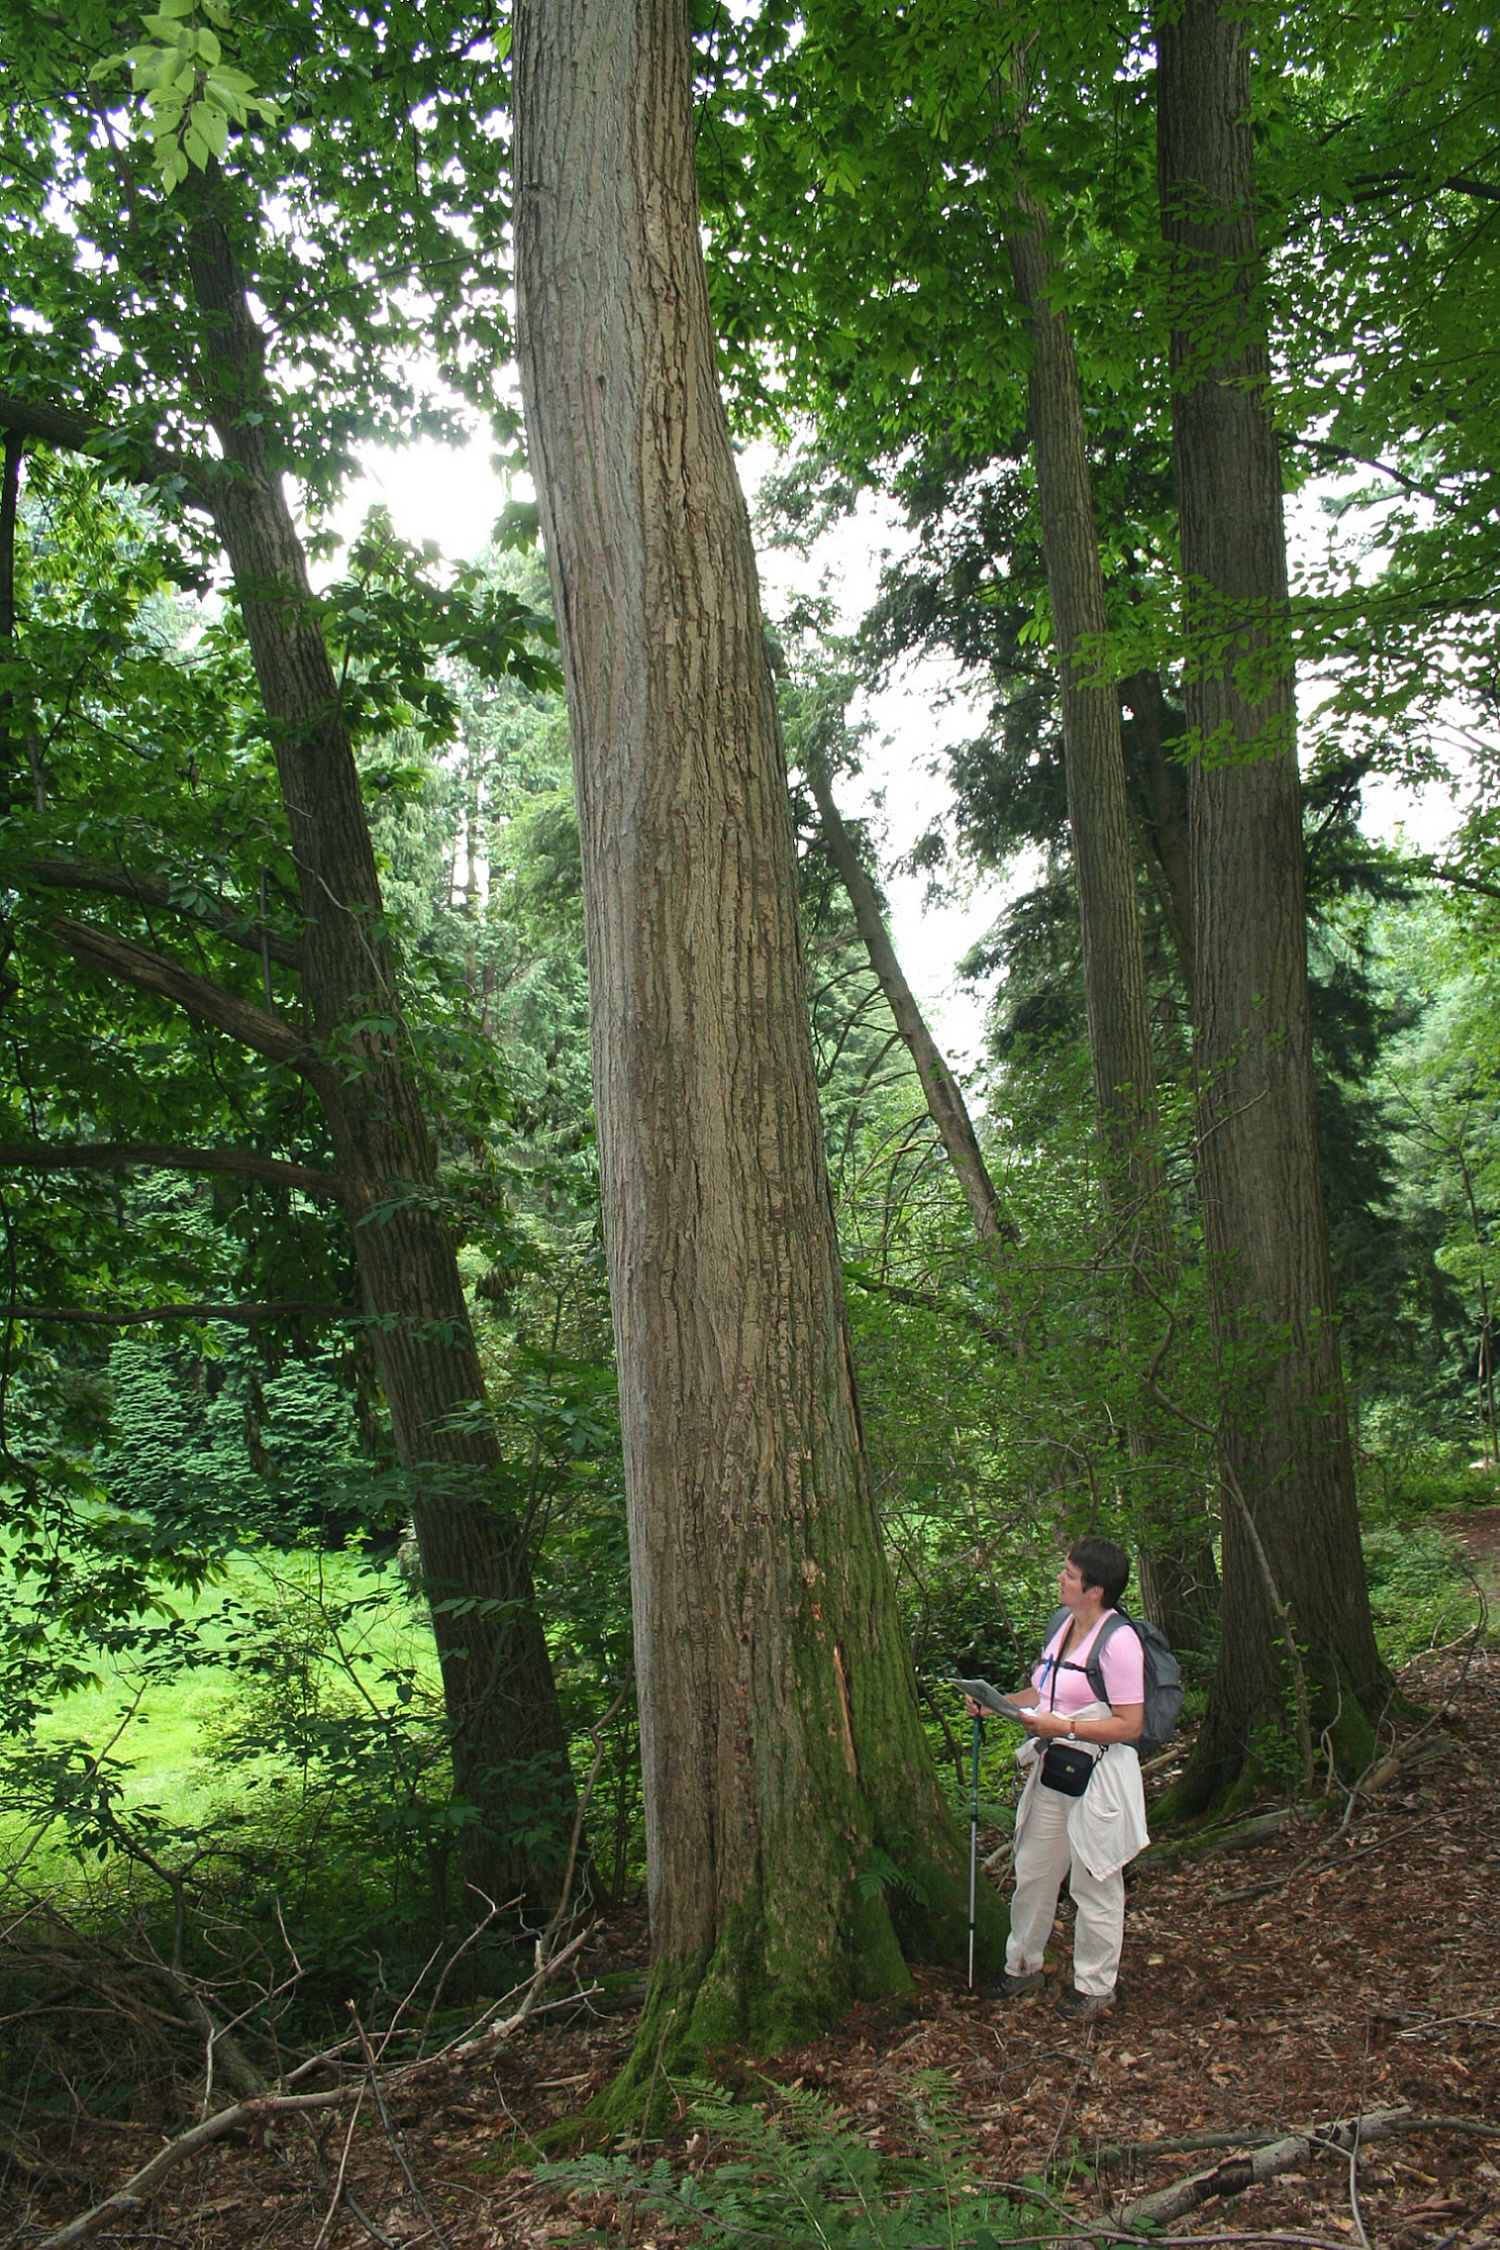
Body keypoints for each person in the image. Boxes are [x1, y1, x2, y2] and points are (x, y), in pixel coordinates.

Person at [967, 1536, 1149, 2021]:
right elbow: (1041, 1689)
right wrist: (998, 1701)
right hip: (1054, 1771)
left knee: (1095, 1882)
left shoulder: (1120, 1641)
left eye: (1069, 1574)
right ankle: (1022, 1966)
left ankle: (1094, 1987)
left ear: (1095, 1590)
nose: (1060, 1579)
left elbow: (1131, 1724)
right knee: (1033, 1871)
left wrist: (1063, 1727)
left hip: (1100, 1776)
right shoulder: (1062, 1625)